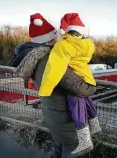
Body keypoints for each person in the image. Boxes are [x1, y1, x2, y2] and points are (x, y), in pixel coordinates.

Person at [11, 13, 96, 158]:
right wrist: (92, 87)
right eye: (56, 35)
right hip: (65, 117)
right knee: (70, 150)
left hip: (52, 113)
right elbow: (81, 88)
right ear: (50, 39)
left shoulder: (32, 57)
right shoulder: (50, 60)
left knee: (58, 147)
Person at [38, 13, 101, 154]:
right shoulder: (88, 44)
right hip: (88, 79)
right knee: (85, 100)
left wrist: (44, 90)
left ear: (66, 30)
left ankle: (85, 141)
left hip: (76, 83)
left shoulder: (63, 45)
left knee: (76, 106)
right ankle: (95, 124)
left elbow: (54, 69)